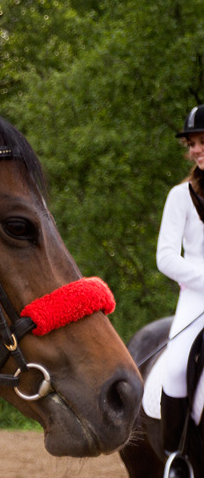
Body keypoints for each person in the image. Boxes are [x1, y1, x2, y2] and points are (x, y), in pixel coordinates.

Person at [156, 104, 204, 475]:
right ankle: (177, 457)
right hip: (196, 296)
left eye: (202, 142)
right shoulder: (180, 196)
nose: (195, 150)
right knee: (175, 368)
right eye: (192, 144)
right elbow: (166, 258)